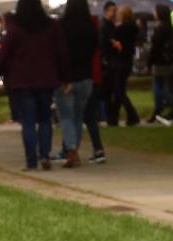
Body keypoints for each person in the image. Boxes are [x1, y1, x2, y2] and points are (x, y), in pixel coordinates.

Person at [0, 0, 65, 170]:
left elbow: (4, 55)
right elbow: (61, 53)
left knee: (28, 122)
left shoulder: (15, 29)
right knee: (44, 119)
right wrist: (65, 77)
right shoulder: (51, 26)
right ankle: (44, 154)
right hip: (46, 79)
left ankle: (31, 160)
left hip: (22, 81)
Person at [57, 0, 105, 166]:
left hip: (67, 77)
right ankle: (74, 148)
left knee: (66, 116)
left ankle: (70, 149)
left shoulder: (62, 26)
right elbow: (94, 49)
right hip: (86, 76)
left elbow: (59, 52)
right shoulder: (91, 27)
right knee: (78, 116)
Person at [101, 4, 141, 124]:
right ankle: (115, 117)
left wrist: (113, 44)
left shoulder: (120, 29)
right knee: (120, 90)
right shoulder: (133, 28)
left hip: (118, 63)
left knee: (118, 91)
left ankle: (132, 115)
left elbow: (112, 44)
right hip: (126, 63)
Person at [146, 2, 173, 121]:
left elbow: (155, 47)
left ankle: (171, 103)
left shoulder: (160, 29)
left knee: (158, 86)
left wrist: (149, 62)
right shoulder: (169, 27)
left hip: (160, 61)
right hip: (168, 60)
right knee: (163, 85)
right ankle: (164, 107)